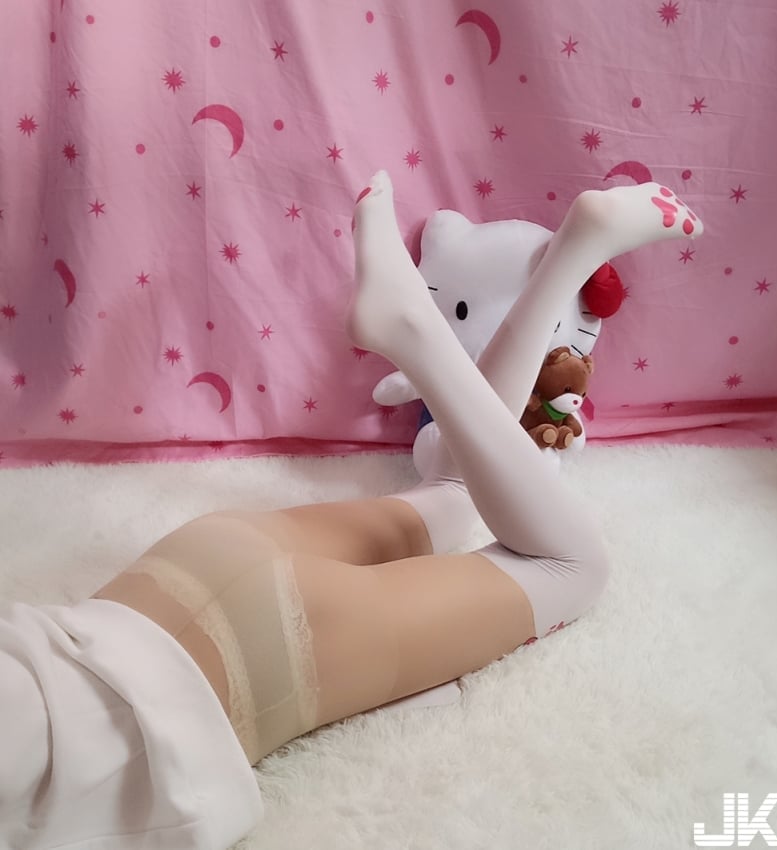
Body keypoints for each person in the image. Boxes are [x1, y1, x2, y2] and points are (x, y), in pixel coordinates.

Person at [0, 172, 702, 850]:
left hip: (232, 665)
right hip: (149, 590)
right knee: (455, 492)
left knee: (574, 568)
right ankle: (572, 254)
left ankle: (417, 333)